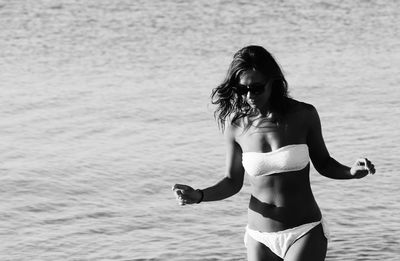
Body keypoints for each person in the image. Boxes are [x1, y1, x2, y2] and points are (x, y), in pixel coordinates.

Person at [172, 45, 376, 261]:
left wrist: (351, 171)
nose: (249, 95)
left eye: (257, 88)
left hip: (304, 231)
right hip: (259, 237)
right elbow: (232, 182)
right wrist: (199, 195)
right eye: (243, 90)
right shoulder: (237, 126)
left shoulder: (304, 115)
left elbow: (324, 163)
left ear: (273, 82)